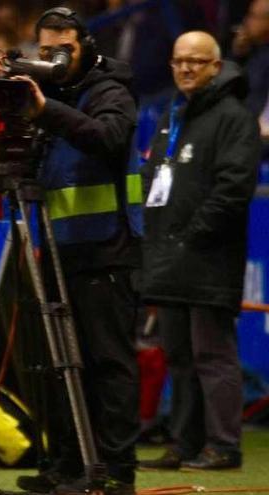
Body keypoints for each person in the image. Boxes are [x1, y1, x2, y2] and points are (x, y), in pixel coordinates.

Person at [0, 7, 142, 495]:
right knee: (56, 361)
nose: (55, 57)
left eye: (65, 48)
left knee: (105, 361)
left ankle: (115, 472)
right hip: (54, 247)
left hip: (105, 249)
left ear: (86, 46)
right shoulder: (44, 94)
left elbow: (108, 137)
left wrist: (45, 110)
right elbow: (30, 164)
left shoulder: (110, 91)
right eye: (46, 49)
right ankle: (66, 465)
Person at [138, 31, 259, 471]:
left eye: (196, 61)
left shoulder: (233, 117)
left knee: (213, 355)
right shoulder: (174, 114)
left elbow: (233, 189)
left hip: (208, 258)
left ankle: (224, 445)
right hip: (169, 257)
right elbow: (155, 180)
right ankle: (184, 445)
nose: (185, 68)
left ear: (215, 65)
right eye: (178, 61)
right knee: (180, 358)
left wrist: (192, 235)